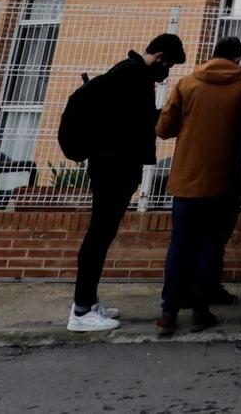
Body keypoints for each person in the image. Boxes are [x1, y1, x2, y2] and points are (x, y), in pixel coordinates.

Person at [66, 32, 185, 333]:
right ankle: (80, 311)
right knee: (99, 235)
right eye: (168, 64)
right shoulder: (134, 77)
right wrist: (174, 113)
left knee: (101, 234)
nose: (166, 71)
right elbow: (141, 123)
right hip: (113, 168)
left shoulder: (126, 71)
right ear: (159, 56)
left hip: (110, 165)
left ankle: (89, 303)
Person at [154, 36, 241, 334]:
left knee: (180, 246)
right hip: (224, 179)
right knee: (211, 245)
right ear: (237, 58)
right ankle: (200, 311)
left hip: (186, 177)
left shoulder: (187, 84)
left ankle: (168, 313)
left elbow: (163, 128)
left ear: (212, 55)